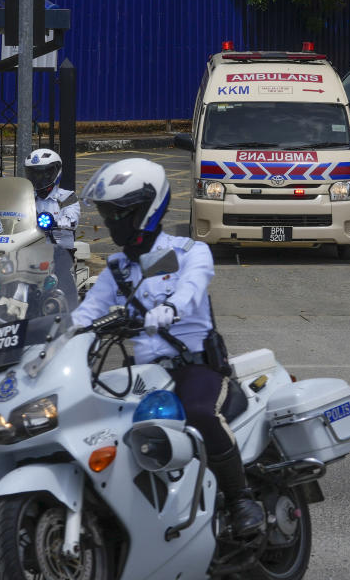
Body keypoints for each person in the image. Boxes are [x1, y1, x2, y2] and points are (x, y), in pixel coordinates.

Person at [70, 158, 265, 537]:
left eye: (118, 213)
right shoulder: (117, 269)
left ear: (147, 209)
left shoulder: (188, 251)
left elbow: (193, 287)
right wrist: (51, 341)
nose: (111, 223)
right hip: (146, 376)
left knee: (199, 413)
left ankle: (242, 499)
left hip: (195, 368)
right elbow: (86, 314)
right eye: (108, 214)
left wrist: (170, 307)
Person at [25, 149, 79, 251]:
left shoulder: (67, 197)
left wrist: (57, 223)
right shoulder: (26, 198)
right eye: (34, 174)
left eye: (44, 174)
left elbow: (73, 220)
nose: (38, 179)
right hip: (31, 250)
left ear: (55, 172)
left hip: (60, 251)